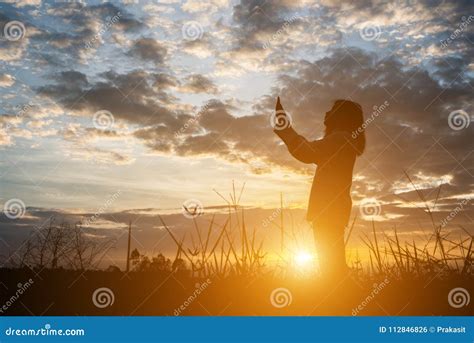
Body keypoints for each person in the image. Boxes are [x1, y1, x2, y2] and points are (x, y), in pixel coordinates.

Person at [273, 97, 365, 279]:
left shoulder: (340, 139)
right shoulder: (342, 139)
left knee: (331, 267)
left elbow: (307, 152)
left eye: (332, 111)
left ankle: (338, 301)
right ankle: (342, 297)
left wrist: (286, 128)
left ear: (342, 117)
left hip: (328, 209)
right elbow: (310, 151)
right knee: (332, 263)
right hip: (333, 209)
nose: (327, 113)